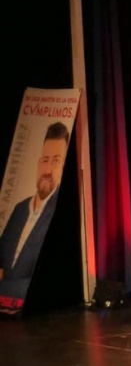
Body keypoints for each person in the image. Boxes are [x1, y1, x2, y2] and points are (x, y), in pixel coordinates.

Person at [0, 122, 70, 301]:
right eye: (45, 160)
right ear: (38, 163)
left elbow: (41, 282)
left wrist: (4, 287)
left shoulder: (58, 214)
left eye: (56, 161)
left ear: (63, 168)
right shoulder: (20, 209)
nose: (48, 170)